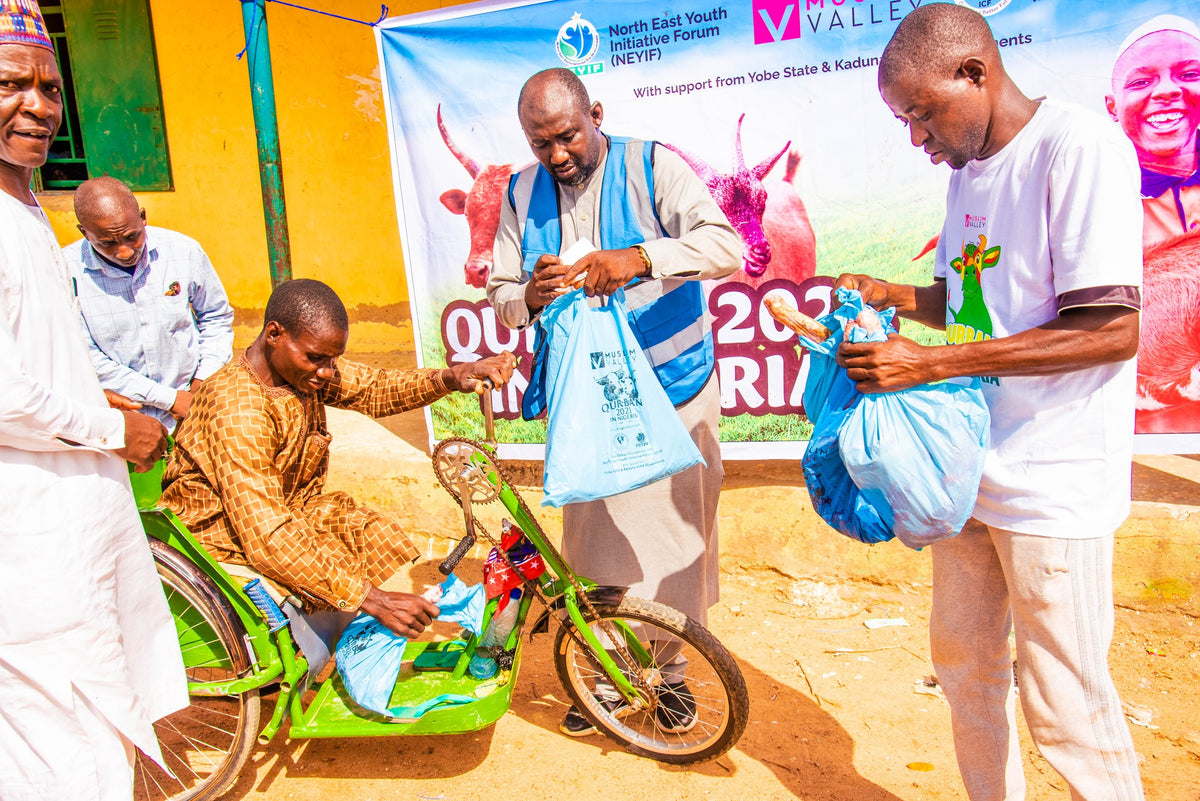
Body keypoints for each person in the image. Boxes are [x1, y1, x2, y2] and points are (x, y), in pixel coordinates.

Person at [833, 5, 1146, 799]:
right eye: (905, 120)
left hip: (1054, 483)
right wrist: (896, 295)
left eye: (923, 112)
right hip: (969, 472)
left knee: (1065, 705)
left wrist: (932, 367)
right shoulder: (970, 174)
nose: (916, 137)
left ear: (975, 72)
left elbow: (1108, 328)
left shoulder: (1077, 149)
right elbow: (977, 302)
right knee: (967, 673)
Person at [486, 68, 741, 737]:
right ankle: (600, 675)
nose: (558, 155)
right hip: (586, 402)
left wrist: (641, 257)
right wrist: (532, 297)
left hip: (674, 388)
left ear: (595, 112)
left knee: (675, 544)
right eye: (542, 144)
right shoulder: (520, 192)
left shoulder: (653, 165)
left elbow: (726, 246)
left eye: (568, 136)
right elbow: (503, 295)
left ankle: (673, 674)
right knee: (594, 547)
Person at [0, 2, 186, 798]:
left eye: (48, 86)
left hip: (78, 526)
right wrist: (111, 426)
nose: (39, 105)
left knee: (98, 728)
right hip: (33, 539)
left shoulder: (26, 209)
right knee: (62, 752)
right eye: (11, 83)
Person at [161, 278, 516, 638]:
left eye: (333, 359)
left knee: (364, 529)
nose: (327, 371)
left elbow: (375, 388)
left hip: (284, 512)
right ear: (273, 334)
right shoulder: (237, 408)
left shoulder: (301, 371)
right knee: (340, 573)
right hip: (223, 535)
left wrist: (451, 377)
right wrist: (375, 600)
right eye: (316, 358)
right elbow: (267, 535)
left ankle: (338, 634)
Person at [64, 175, 234, 433]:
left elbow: (216, 317)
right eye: (107, 243)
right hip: (124, 424)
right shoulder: (66, 271)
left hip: (197, 409)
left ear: (143, 217)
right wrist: (170, 399)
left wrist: (202, 383)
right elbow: (84, 355)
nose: (124, 252)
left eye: (132, 236)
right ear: (84, 232)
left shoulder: (183, 251)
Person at [1107, 15, 1200, 248]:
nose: (1166, 90)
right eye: (1140, 82)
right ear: (1112, 107)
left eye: (1189, 74)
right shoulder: (1101, 196)